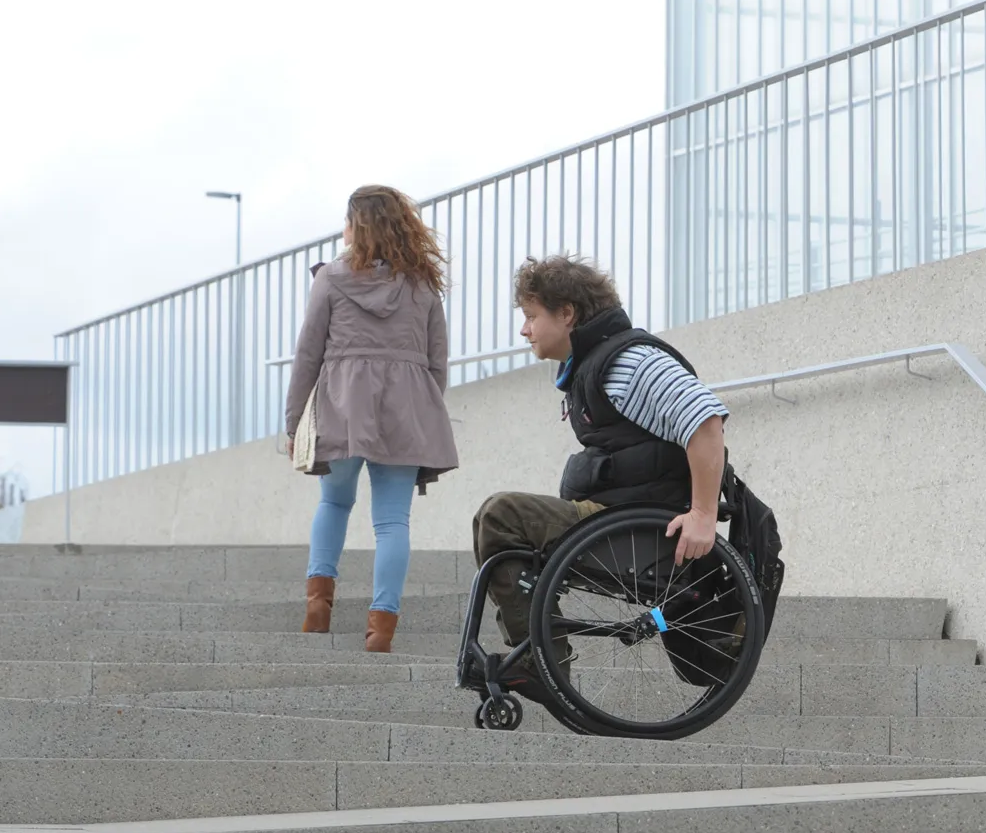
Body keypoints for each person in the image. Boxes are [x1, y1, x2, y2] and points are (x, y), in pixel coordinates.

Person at [472, 254, 729, 688]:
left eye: (532, 316)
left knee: (501, 514)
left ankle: (542, 663)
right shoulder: (592, 367)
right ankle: (538, 657)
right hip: (617, 520)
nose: (524, 329)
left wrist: (703, 516)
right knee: (491, 520)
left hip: (645, 532)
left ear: (567, 313)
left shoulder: (628, 361)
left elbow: (705, 419)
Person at [284, 185, 460, 652]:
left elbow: (307, 356)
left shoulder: (331, 278)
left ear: (355, 227)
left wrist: (294, 421)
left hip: (341, 406)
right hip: (406, 411)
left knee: (334, 504)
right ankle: (381, 629)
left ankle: (318, 606)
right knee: (392, 523)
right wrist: (420, 408)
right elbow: (437, 362)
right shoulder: (423, 286)